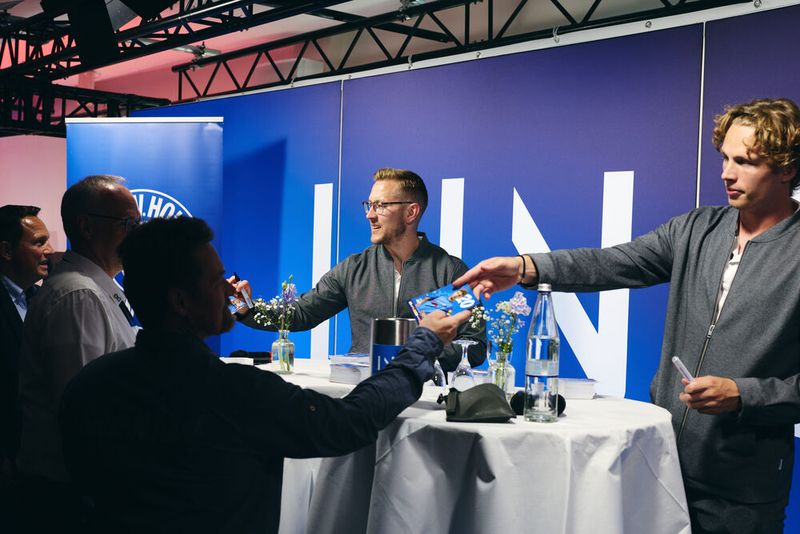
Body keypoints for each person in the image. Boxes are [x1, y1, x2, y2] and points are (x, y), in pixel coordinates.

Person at [453, 97, 800, 533]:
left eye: (745, 162)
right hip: (661, 461)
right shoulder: (696, 228)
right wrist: (525, 267)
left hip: (742, 489)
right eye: (725, 158)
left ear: (787, 169)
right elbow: (611, 262)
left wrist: (744, 394)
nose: (726, 174)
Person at [58, 216, 469, 534]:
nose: (229, 289)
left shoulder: (88, 387)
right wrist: (423, 344)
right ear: (181, 301)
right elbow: (350, 424)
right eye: (218, 280)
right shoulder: (234, 393)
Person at [238, 168, 485, 372]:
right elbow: (302, 313)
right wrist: (246, 308)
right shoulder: (354, 267)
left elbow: (474, 346)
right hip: (362, 394)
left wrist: (417, 355)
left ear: (411, 212)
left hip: (426, 397)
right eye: (369, 205)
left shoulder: (450, 272)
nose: (369, 215)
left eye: (380, 206)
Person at [15, 175, 140, 530]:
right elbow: (82, 410)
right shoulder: (78, 297)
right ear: (86, 227)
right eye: (127, 224)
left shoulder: (96, 290)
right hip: (71, 497)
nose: (136, 234)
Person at [0, 206, 52, 478]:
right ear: (7, 251)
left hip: (41, 456)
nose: (50, 250)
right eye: (39, 242)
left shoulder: (46, 298)